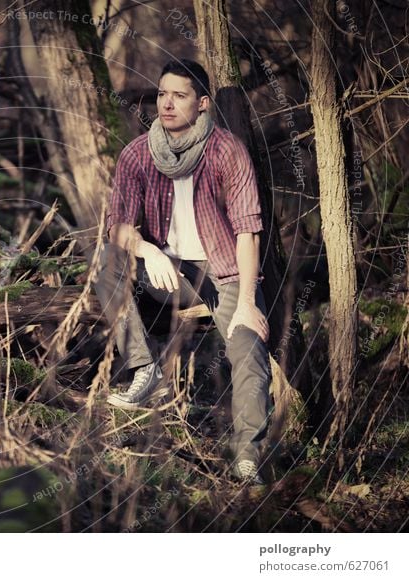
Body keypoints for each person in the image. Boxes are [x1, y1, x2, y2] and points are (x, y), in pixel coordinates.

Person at [94, 58, 272, 484]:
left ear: (203, 103)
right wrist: (148, 252)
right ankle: (144, 370)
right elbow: (118, 227)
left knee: (247, 349)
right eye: (161, 94)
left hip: (224, 273)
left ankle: (248, 457)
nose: (167, 104)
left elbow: (248, 232)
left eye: (179, 95)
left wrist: (247, 302)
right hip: (167, 272)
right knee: (104, 260)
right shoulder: (137, 155)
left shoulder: (228, 152)